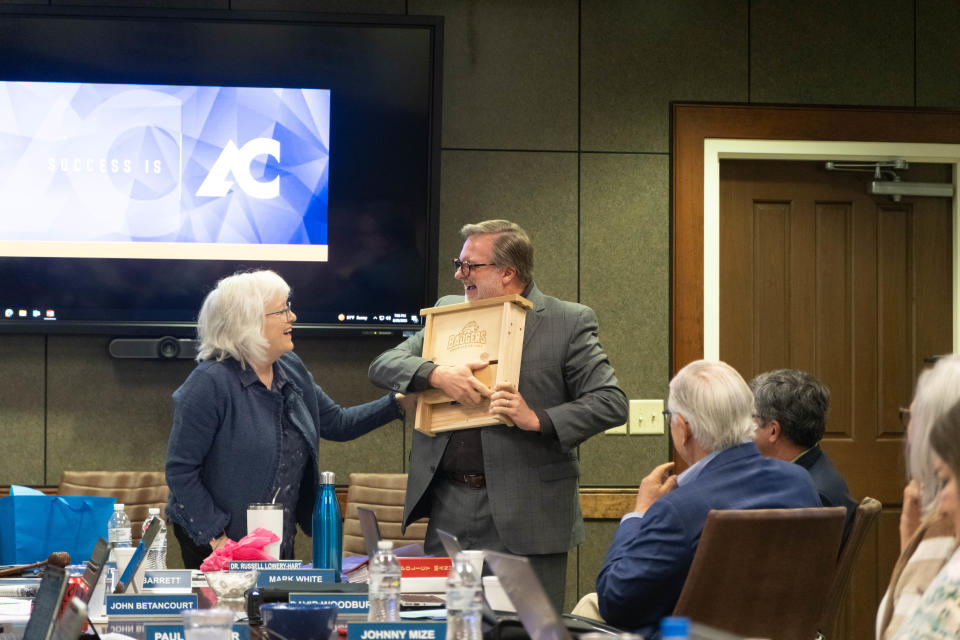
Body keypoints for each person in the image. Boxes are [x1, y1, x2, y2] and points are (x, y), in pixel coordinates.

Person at [368, 219, 627, 610]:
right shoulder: (448, 312)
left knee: (525, 632)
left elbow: (611, 401)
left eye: (470, 266)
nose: (459, 274)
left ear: (508, 272)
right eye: (459, 263)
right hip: (450, 508)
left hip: (529, 515)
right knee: (449, 626)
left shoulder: (567, 321)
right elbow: (383, 365)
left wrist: (536, 418)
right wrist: (437, 374)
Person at [165, 270, 412, 568]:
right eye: (282, 310)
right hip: (219, 546)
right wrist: (219, 539)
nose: (292, 316)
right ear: (249, 321)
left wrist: (398, 403)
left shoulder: (290, 368)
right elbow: (181, 471)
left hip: (276, 538)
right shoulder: (209, 382)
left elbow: (337, 422)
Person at [595, 360, 821, 637]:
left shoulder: (678, 510)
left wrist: (639, 514)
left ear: (682, 426)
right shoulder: (800, 482)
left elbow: (617, 603)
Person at [877, 354, 960, 640]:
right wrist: (909, 541)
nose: (908, 430)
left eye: (913, 417)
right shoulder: (933, 524)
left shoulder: (946, 526)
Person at [750, 368, 857, 542]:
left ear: (773, 430)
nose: (745, 426)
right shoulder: (816, 468)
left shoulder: (809, 494)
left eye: (751, 417)